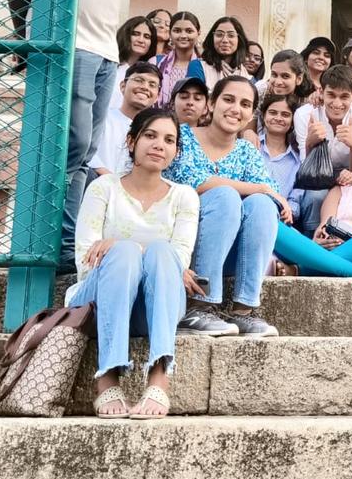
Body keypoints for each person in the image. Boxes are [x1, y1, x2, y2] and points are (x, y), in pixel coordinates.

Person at [30, 0, 167, 273]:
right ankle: (58, 244)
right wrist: (24, 31)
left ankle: (69, 244)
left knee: (85, 154)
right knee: (69, 147)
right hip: (73, 44)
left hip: (107, 51)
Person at [68, 107, 197, 420]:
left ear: (176, 151)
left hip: (153, 306)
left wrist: (129, 247)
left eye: (169, 140)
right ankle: (107, 378)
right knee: (126, 253)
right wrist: (124, 252)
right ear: (131, 141)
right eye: (150, 136)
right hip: (96, 303)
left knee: (160, 253)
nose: (159, 145)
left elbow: (178, 260)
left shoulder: (184, 197)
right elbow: (86, 260)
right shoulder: (104, 188)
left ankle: (159, 377)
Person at [166, 76, 286, 338]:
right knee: (226, 196)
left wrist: (262, 191)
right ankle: (199, 306)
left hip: (230, 251)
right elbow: (194, 181)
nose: (235, 109)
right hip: (182, 246)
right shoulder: (182, 136)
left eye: (245, 104)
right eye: (228, 100)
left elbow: (271, 194)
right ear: (211, 103)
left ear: (251, 115)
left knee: (262, 205)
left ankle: (244, 310)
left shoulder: (246, 150)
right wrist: (258, 188)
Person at [272, 138, 352, 278]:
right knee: (272, 224)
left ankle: (300, 270)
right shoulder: (341, 190)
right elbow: (324, 225)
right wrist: (322, 236)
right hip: (326, 247)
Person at [292, 64, 352, 235]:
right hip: (316, 177)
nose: (337, 103)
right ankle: (312, 239)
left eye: (344, 97)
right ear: (321, 92)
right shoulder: (305, 114)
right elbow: (306, 168)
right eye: (331, 95)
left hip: (349, 177)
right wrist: (309, 143)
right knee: (315, 196)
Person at [90, 61, 162, 178]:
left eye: (152, 85)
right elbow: (86, 153)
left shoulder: (156, 132)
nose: (145, 87)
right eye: (139, 80)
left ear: (157, 97)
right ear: (123, 86)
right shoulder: (101, 117)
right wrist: (110, 178)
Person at [258, 92, 304, 230]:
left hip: (279, 222)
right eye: (273, 113)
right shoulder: (250, 147)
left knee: (300, 243)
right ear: (263, 116)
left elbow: (295, 200)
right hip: (249, 212)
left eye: (285, 115)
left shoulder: (298, 161)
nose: (278, 118)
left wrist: (288, 211)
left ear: (293, 121)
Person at [154, 11, 206, 102]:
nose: (183, 36)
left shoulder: (205, 66)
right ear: (170, 33)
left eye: (189, 31)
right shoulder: (156, 63)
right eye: (177, 31)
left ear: (198, 33)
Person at [108, 15, 156, 112]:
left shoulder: (150, 74)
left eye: (147, 37)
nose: (141, 40)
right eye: (136, 34)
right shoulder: (109, 65)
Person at [199, 16, 250, 88]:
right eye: (219, 35)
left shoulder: (246, 73)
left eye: (231, 35)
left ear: (239, 40)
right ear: (212, 38)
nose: (225, 40)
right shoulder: (199, 66)